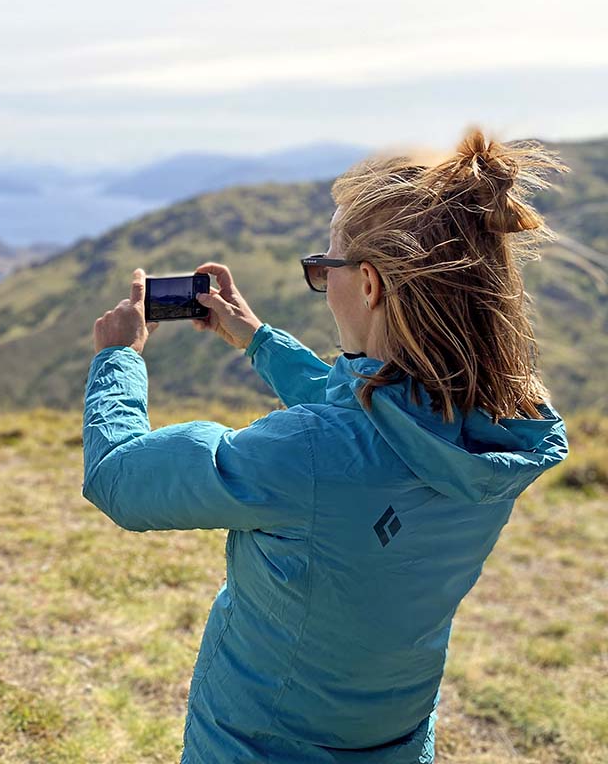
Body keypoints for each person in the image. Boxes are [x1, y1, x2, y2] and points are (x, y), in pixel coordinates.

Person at [81, 128, 570, 763]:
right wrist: (257, 339)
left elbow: (120, 478)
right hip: (391, 736)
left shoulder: (308, 454)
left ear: (368, 285)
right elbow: (377, 424)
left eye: (324, 265)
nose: (321, 277)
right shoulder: (497, 428)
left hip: (258, 746)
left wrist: (118, 358)